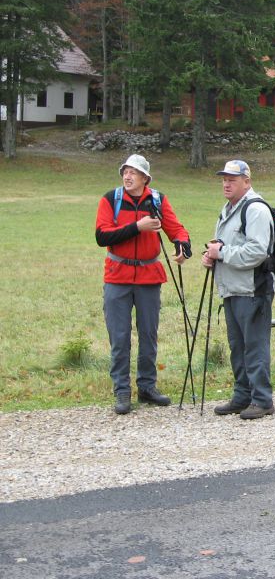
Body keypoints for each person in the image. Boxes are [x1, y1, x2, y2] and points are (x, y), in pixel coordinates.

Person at [95, 154, 191, 415]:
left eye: (133, 173)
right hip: (117, 276)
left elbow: (176, 228)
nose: (127, 176)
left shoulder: (157, 200)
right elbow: (102, 236)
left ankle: (147, 388)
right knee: (120, 336)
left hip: (149, 276)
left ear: (145, 178)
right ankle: (122, 392)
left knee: (148, 334)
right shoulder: (110, 199)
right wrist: (138, 226)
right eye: (125, 171)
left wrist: (183, 245)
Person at [202, 159, 275, 420]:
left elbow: (257, 251)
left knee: (254, 346)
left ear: (247, 181)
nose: (226, 183)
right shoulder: (229, 209)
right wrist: (212, 256)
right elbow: (226, 246)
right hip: (232, 288)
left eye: (232, 179)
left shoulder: (255, 209)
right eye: (224, 179)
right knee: (238, 346)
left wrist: (221, 253)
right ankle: (243, 396)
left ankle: (262, 399)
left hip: (252, 289)